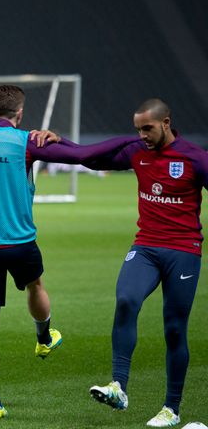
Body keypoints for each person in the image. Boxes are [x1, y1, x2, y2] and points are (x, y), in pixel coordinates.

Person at [0, 84, 138, 419]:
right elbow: (84, 156)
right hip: (19, 242)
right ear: (20, 113)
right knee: (36, 286)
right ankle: (44, 336)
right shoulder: (28, 142)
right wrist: (129, 140)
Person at [76, 98, 208, 427]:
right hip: (146, 247)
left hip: (183, 251)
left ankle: (171, 409)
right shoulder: (139, 153)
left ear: (166, 123)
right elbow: (88, 159)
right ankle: (118, 386)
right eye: (137, 130)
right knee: (126, 299)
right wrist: (53, 142)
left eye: (147, 128)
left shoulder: (195, 158)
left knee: (174, 329)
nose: (142, 135)